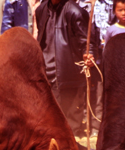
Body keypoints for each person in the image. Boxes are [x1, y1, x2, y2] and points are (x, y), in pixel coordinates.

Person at [36, 0, 96, 139]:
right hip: (45, 71)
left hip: (68, 73)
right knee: (50, 120)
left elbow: (87, 41)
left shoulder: (76, 12)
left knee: (71, 123)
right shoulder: (41, 9)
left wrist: (89, 55)